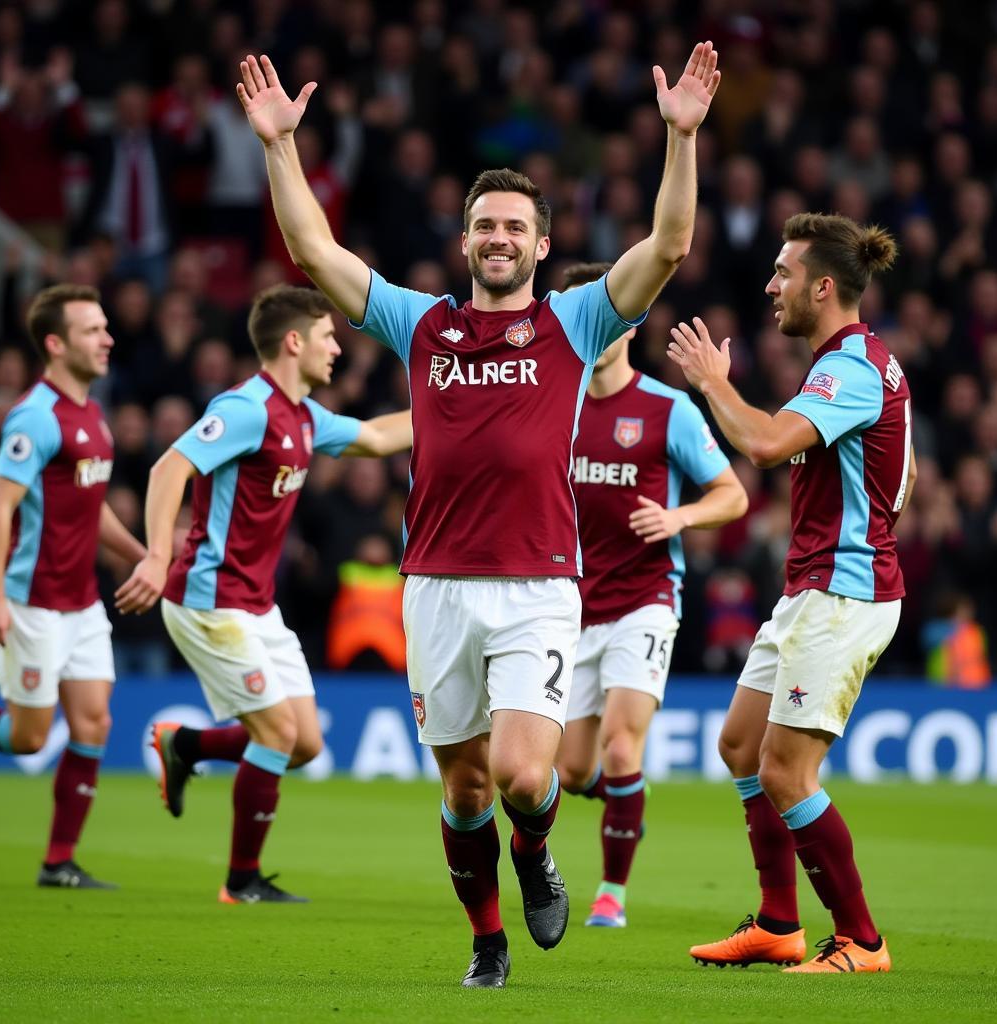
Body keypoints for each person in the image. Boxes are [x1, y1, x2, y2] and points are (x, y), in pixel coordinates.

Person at [237, 42, 719, 987]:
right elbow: (312, 252)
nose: (498, 237)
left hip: (539, 583)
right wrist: (280, 149)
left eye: (515, 226)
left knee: (524, 778)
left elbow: (667, 246)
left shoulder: (578, 322)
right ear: (467, 242)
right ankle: (487, 940)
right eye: (484, 225)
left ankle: (536, 854)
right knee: (462, 792)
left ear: (542, 244)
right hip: (436, 588)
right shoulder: (423, 324)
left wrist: (681, 136)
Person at [667, 213, 917, 974]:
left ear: (824, 285)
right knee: (741, 744)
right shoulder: (858, 362)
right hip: (818, 585)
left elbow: (768, 445)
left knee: (784, 771)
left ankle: (862, 942)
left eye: (783, 273)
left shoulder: (848, 367)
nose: (771, 286)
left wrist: (714, 384)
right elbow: (903, 476)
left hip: (843, 591)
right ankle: (779, 923)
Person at [115, 285, 411, 904]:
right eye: (328, 336)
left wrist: (469, 399)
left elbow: (380, 438)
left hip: (256, 606)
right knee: (276, 736)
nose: (337, 347)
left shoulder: (304, 417)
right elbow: (169, 468)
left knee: (303, 744)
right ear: (294, 341)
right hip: (207, 599)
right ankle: (240, 881)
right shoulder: (247, 407)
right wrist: (158, 555)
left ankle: (186, 744)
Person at [554, 262, 747, 929]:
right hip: (569, 606)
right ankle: (626, 803)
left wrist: (678, 519)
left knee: (620, 746)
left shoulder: (666, 409)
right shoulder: (554, 403)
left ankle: (612, 894)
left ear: (629, 321)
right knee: (572, 773)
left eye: (607, 317)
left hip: (645, 598)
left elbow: (733, 494)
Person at [0, 284, 146, 888]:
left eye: (105, 327)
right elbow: (0, 508)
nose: (107, 339)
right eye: (92, 331)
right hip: (33, 602)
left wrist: (139, 554)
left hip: (81, 602)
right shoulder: (35, 417)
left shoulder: (92, 414)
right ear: (55, 343)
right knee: (26, 738)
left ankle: (59, 862)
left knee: (94, 723)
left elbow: (90, 504)